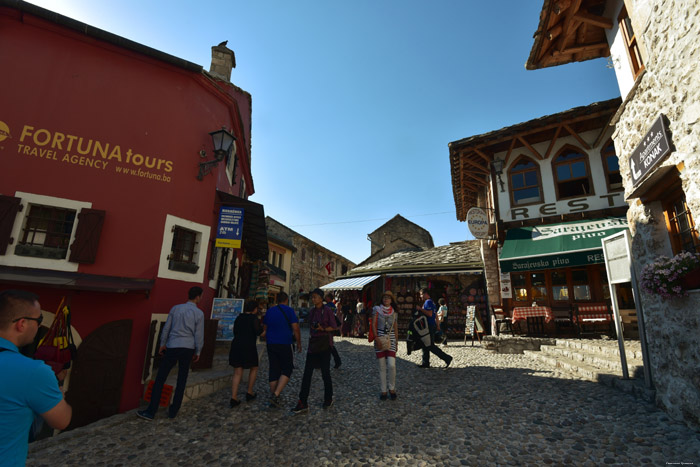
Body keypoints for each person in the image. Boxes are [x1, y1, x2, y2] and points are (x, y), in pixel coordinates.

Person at [0, 290, 72, 465]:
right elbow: (61, 421)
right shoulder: (34, 372)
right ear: (22, 324)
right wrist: (59, 397)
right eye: (39, 320)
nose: (39, 325)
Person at [137, 286, 204, 421]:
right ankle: (173, 411)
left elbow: (167, 327)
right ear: (197, 297)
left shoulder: (175, 308)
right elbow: (198, 334)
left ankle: (151, 411)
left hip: (173, 345)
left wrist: (162, 344)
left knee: (161, 378)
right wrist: (198, 350)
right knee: (182, 379)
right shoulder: (199, 313)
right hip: (188, 348)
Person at [291, 288, 338, 414]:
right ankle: (302, 401)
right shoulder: (311, 312)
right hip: (313, 345)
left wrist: (322, 328)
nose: (313, 299)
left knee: (325, 373)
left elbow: (333, 327)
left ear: (321, 298)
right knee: (307, 374)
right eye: (312, 297)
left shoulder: (327, 311)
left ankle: (328, 398)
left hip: (324, 345)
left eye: (316, 297)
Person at [262, 292, 301, 408]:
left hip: (271, 343)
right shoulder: (289, 311)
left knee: (274, 367)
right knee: (287, 368)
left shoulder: (270, 311)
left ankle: (274, 396)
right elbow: (296, 328)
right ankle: (276, 394)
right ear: (286, 300)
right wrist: (299, 343)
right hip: (285, 342)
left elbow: (265, 328)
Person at [228, 300, 263, 407]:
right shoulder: (254, 319)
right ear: (254, 309)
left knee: (237, 371)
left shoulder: (239, 317)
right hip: (248, 346)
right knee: (254, 367)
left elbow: (235, 331)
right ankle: (249, 391)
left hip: (236, 345)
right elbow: (259, 332)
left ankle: (234, 397)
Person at [372, 291, 398, 400]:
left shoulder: (394, 313)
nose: (386, 299)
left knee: (392, 365)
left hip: (391, 339)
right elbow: (373, 324)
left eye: (388, 298)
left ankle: (392, 387)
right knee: (382, 367)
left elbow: (396, 327)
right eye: (384, 298)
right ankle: (383, 390)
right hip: (380, 338)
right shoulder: (377, 310)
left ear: (391, 300)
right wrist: (376, 338)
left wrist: (396, 341)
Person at [418, 288, 453, 369]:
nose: (420, 296)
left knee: (430, 345)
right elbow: (436, 315)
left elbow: (430, 314)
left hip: (429, 326)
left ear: (426, 294)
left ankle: (447, 358)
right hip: (431, 325)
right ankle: (425, 363)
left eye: (421, 294)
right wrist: (437, 325)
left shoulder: (428, 302)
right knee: (425, 345)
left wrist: (420, 309)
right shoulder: (432, 302)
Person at [324, 292, 342, 369]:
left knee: (329, 345)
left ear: (329, 298)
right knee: (328, 345)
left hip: (328, 327)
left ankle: (337, 361)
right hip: (329, 326)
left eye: (326, 297)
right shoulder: (332, 306)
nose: (325, 298)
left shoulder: (328, 306)